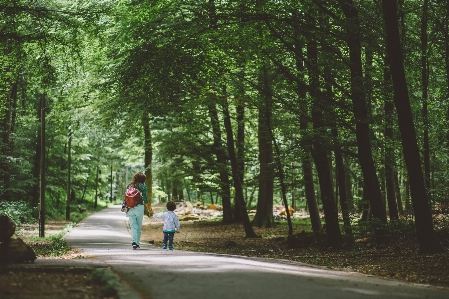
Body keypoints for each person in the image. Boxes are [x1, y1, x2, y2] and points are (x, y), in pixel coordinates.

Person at [126, 172, 150, 249]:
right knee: (138, 227)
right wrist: (149, 209)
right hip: (139, 207)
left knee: (133, 226)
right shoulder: (143, 187)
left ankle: (134, 242)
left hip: (130, 207)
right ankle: (137, 243)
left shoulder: (130, 185)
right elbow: (145, 199)